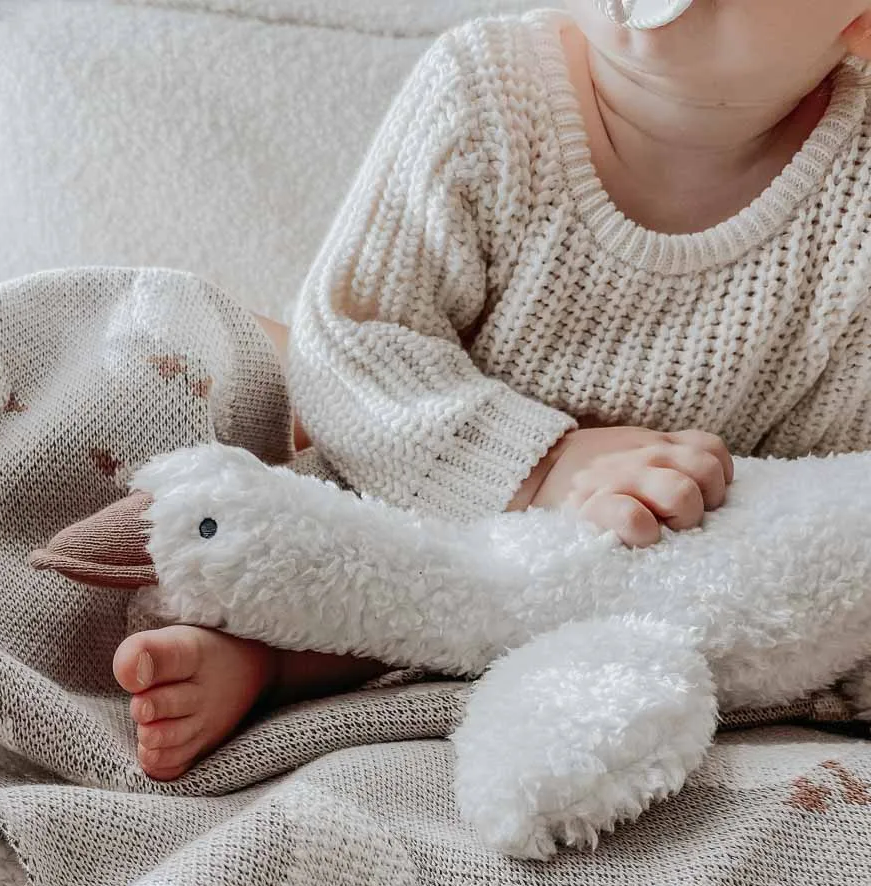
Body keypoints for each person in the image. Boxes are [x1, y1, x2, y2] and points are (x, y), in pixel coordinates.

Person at [113, 0, 871, 780]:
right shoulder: (485, 94)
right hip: (415, 474)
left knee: (638, 619)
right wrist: (544, 465)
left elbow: (834, 493)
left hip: (652, 561)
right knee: (230, 425)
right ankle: (267, 644)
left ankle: (291, 663)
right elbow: (353, 345)